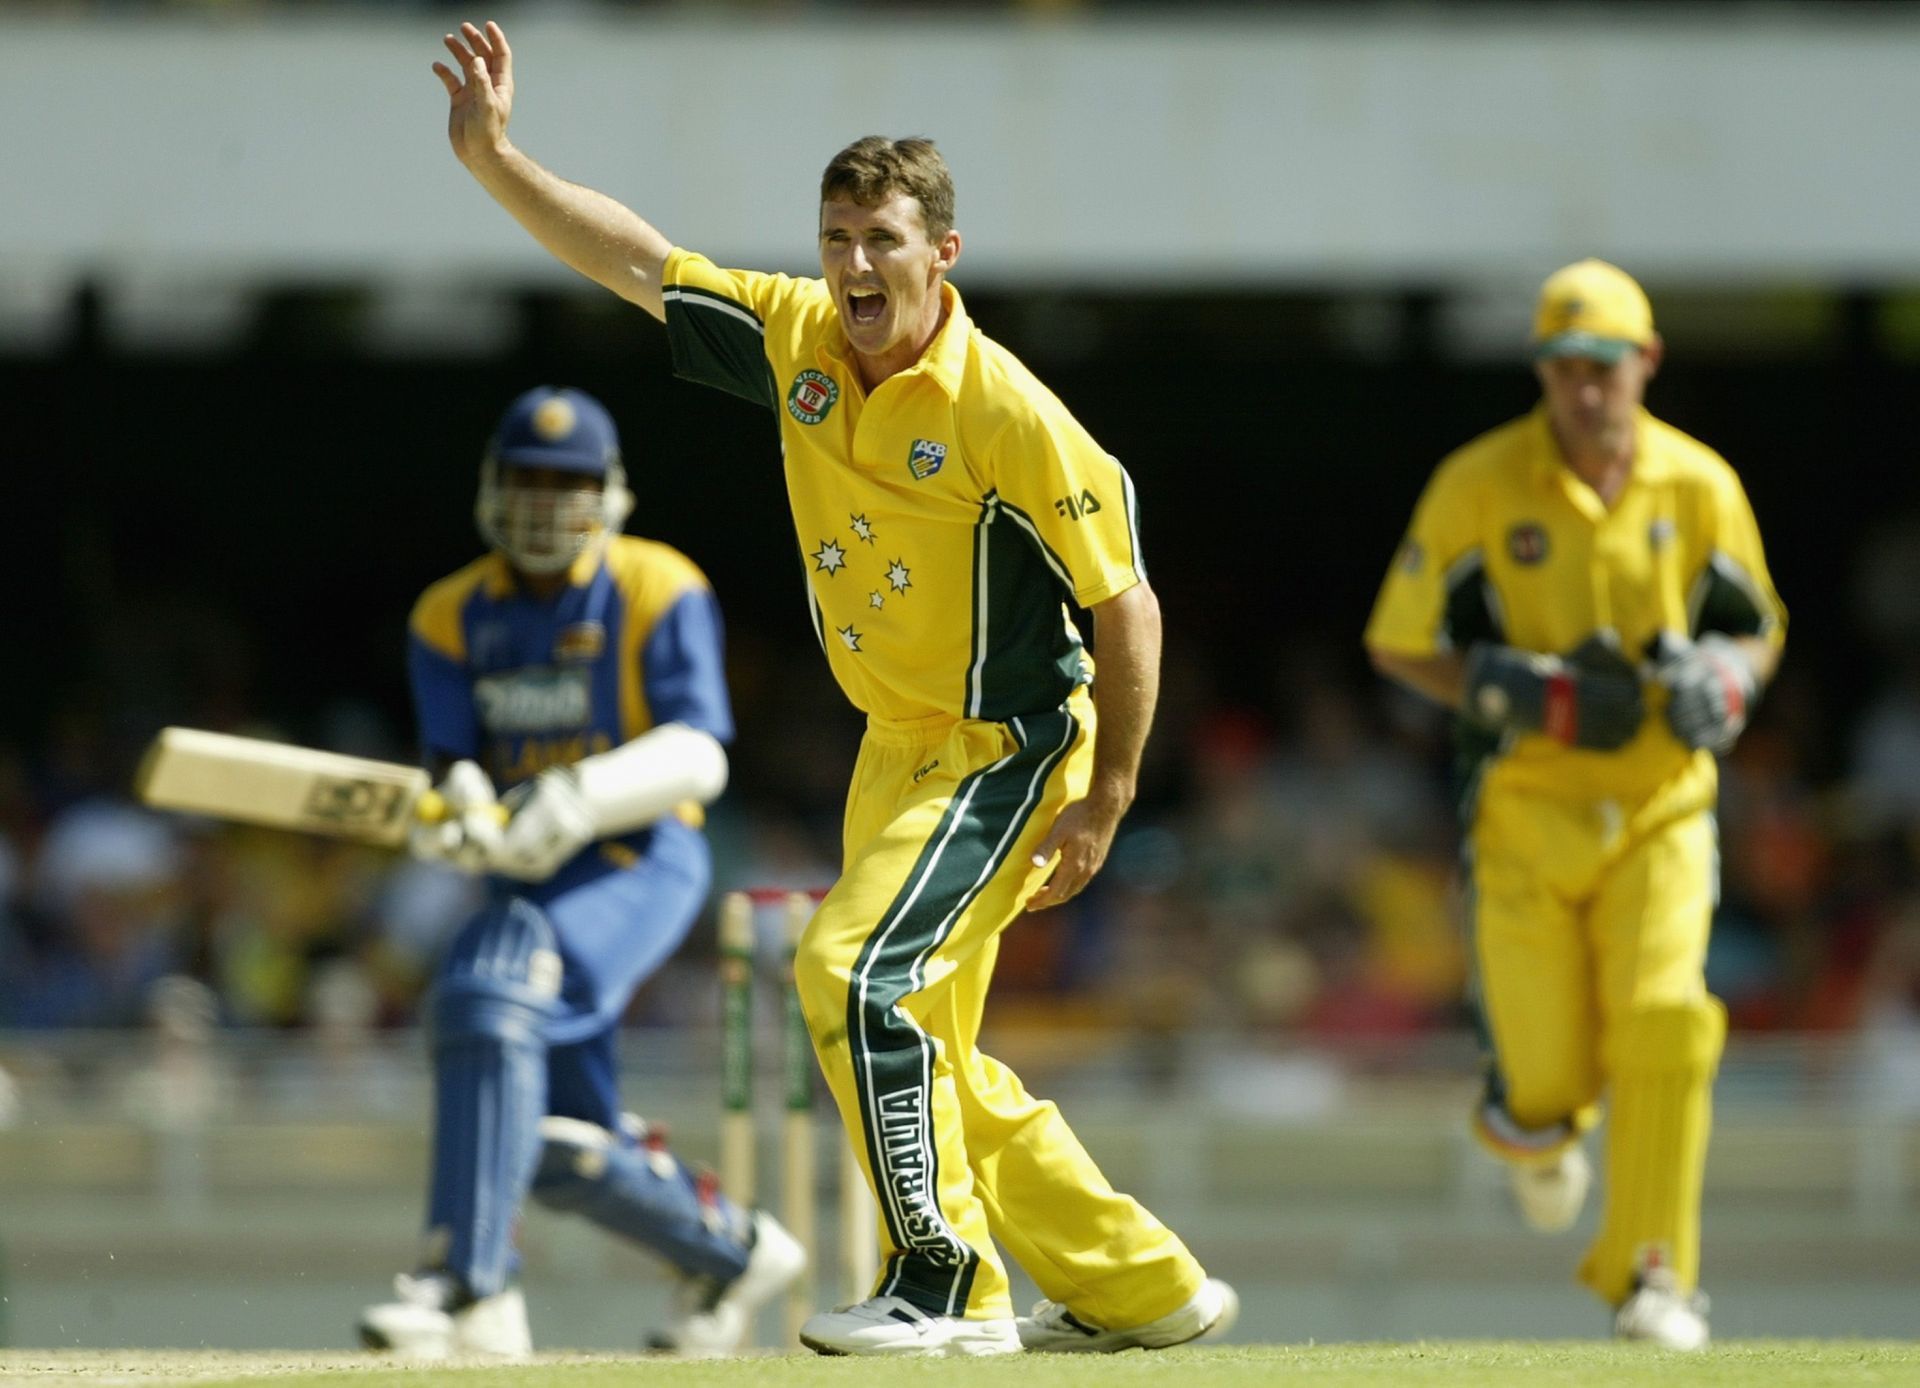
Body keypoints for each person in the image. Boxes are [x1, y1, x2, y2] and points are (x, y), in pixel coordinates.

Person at [431, 21, 1236, 1359]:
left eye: (883, 241)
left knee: (853, 971)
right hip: (894, 748)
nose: (855, 266)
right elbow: (639, 264)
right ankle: (1139, 1284)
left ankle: (949, 1285)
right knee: (929, 1048)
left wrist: (1108, 794)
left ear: (943, 256)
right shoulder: (801, 340)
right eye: (839, 237)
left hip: (1007, 744)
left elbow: (1127, 601)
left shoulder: (1006, 409)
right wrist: (499, 163)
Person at [1364, 260, 1786, 1350]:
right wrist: (1517, 689)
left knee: (1666, 1017)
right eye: (1563, 367)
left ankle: (1656, 1275)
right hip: (1527, 809)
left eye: (1604, 366)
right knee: (1546, 1085)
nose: (1584, 390)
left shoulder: (1700, 485)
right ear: (1543, 371)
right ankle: (1538, 1126)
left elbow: (1758, 623)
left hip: (1660, 806)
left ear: (1645, 361)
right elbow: (1400, 639)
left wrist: (1727, 680)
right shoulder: (1479, 482)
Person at [357, 385, 804, 1359]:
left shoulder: (655, 584)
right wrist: (463, 811)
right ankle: (731, 1248)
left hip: (638, 854)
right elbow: (451, 759)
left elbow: (700, 753)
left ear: (608, 494)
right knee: (555, 1140)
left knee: (487, 986)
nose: (545, 503)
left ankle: (468, 1285)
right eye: (526, 480)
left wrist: (575, 798)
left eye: (566, 484)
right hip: (523, 880)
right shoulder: (450, 613)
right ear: (491, 489)